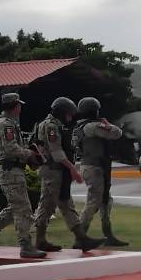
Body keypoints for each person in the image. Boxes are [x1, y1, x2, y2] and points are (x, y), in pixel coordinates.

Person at [0, 93, 46, 259]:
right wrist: (30, 154)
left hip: (13, 170)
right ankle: (25, 246)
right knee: (24, 210)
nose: (20, 108)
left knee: (15, 208)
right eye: (19, 105)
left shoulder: (7, 123)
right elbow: (10, 149)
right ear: (15, 106)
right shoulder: (6, 124)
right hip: (10, 171)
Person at [32, 97, 104, 253]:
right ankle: (40, 240)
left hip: (58, 171)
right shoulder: (51, 126)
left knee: (66, 205)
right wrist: (73, 169)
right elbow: (56, 152)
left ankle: (82, 238)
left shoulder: (55, 125)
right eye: (69, 114)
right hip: (52, 170)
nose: (70, 117)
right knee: (46, 206)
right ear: (61, 113)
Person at [73, 97, 129, 247]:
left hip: (95, 166)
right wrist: (108, 125)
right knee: (94, 202)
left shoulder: (80, 126)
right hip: (95, 167)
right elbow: (117, 133)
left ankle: (108, 234)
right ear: (94, 110)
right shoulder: (92, 126)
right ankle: (81, 237)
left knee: (105, 200)